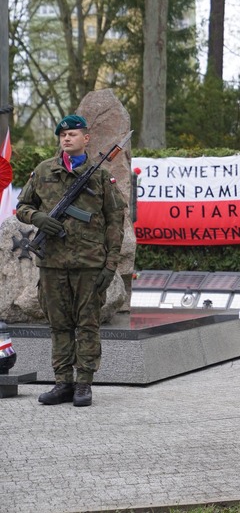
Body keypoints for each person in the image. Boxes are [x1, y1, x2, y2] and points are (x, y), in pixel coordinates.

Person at [16, 114, 125, 407]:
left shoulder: (100, 176)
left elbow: (116, 221)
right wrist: (38, 217)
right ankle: (63, 382)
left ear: (86, 138)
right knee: (59, 325)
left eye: (73, 134)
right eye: (63, 135)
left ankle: (84, 384)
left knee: (87, 325)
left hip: (89, 265)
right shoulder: (43, 171)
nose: (67, 138)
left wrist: (110, 265)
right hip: (52, 263)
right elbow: (22, 206)